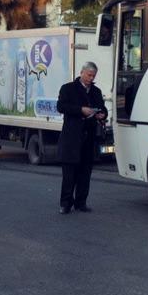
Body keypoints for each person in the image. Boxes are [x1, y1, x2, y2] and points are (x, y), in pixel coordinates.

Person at [56, 62, 108, 214]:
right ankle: (65, 203)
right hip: (72, 137)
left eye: (93, 76)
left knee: (85, 172)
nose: (90, 79)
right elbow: (61, 107)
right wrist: (80, 110)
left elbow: (102, 107)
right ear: (81, 73)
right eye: (88, 75)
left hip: (89, 137)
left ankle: (81, 202)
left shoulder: (96, 91)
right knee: (69, 173)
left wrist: (102, 114)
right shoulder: (68, 88)